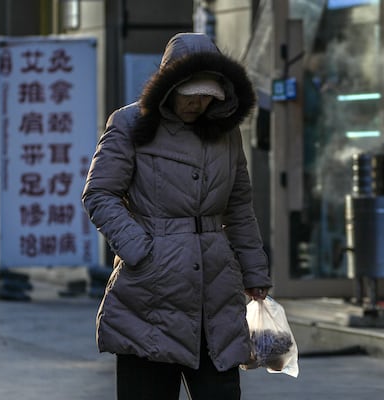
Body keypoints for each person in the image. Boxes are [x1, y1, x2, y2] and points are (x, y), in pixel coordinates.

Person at [82, 32, 272, 400]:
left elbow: (239, 206)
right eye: (191, 93)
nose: (198, 103)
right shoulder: (129, 123)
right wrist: (141, 250)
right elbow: (99, 193)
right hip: (150, 291)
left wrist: (254, 271)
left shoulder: (226, 133)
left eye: (208, 96)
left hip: (214, 290)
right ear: (170, 86)